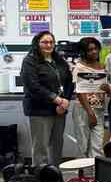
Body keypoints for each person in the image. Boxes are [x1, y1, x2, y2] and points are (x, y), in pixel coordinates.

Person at [21, 31, 74, 166]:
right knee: (41, 148)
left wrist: (65, 100)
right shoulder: (30, 61)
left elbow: (68, 81)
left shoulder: (58, 60)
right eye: (45, 42)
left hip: (59, 110)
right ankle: (39, 180)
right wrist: (56, 99)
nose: (48, 45)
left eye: (51, 42)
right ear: (37, 43)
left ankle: (54, 176)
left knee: (56, 146)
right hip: (40, 110)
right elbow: (33, 86)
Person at [72, 37, 106, 158]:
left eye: (96, 48)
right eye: (90, 50)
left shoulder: (102, 66)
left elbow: (102, 87)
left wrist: (107, 88)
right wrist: (90, 113)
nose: (94, 52)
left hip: (99, 109)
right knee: (83, 145)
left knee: (98, 145)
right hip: (83, 109)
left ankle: (96, 174)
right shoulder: (79, 67)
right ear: (83, 52)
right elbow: (79, 92)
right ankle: (82, 175)